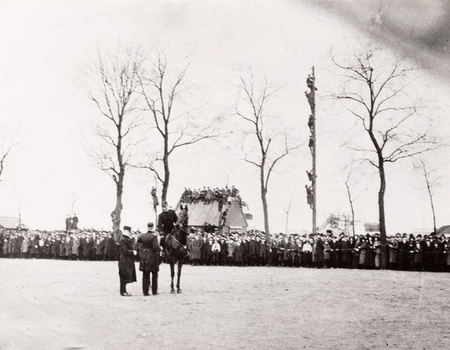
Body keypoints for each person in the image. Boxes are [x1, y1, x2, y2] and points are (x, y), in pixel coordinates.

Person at [137, 223, 160, 296]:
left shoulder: (142, 236)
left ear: (147, 227)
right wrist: (160, 248)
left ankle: (145, 292)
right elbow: (155, 248)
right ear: (153, 227)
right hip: (152, 257)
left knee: (145, 275)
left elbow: (138, 243)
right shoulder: (154, 236)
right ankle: (154, 291)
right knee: (154, 274)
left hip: (144, 256)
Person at [118, 226, 137, 296]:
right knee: (124, 276)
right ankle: (123, 291)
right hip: (124, 260)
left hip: (127, 260)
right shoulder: (123, 240)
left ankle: (124, 291)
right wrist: (132, 252)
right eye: (129, 232)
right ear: (125, 231)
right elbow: (124, 250)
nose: (130, 233)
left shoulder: (126, 239)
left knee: (126, 276)